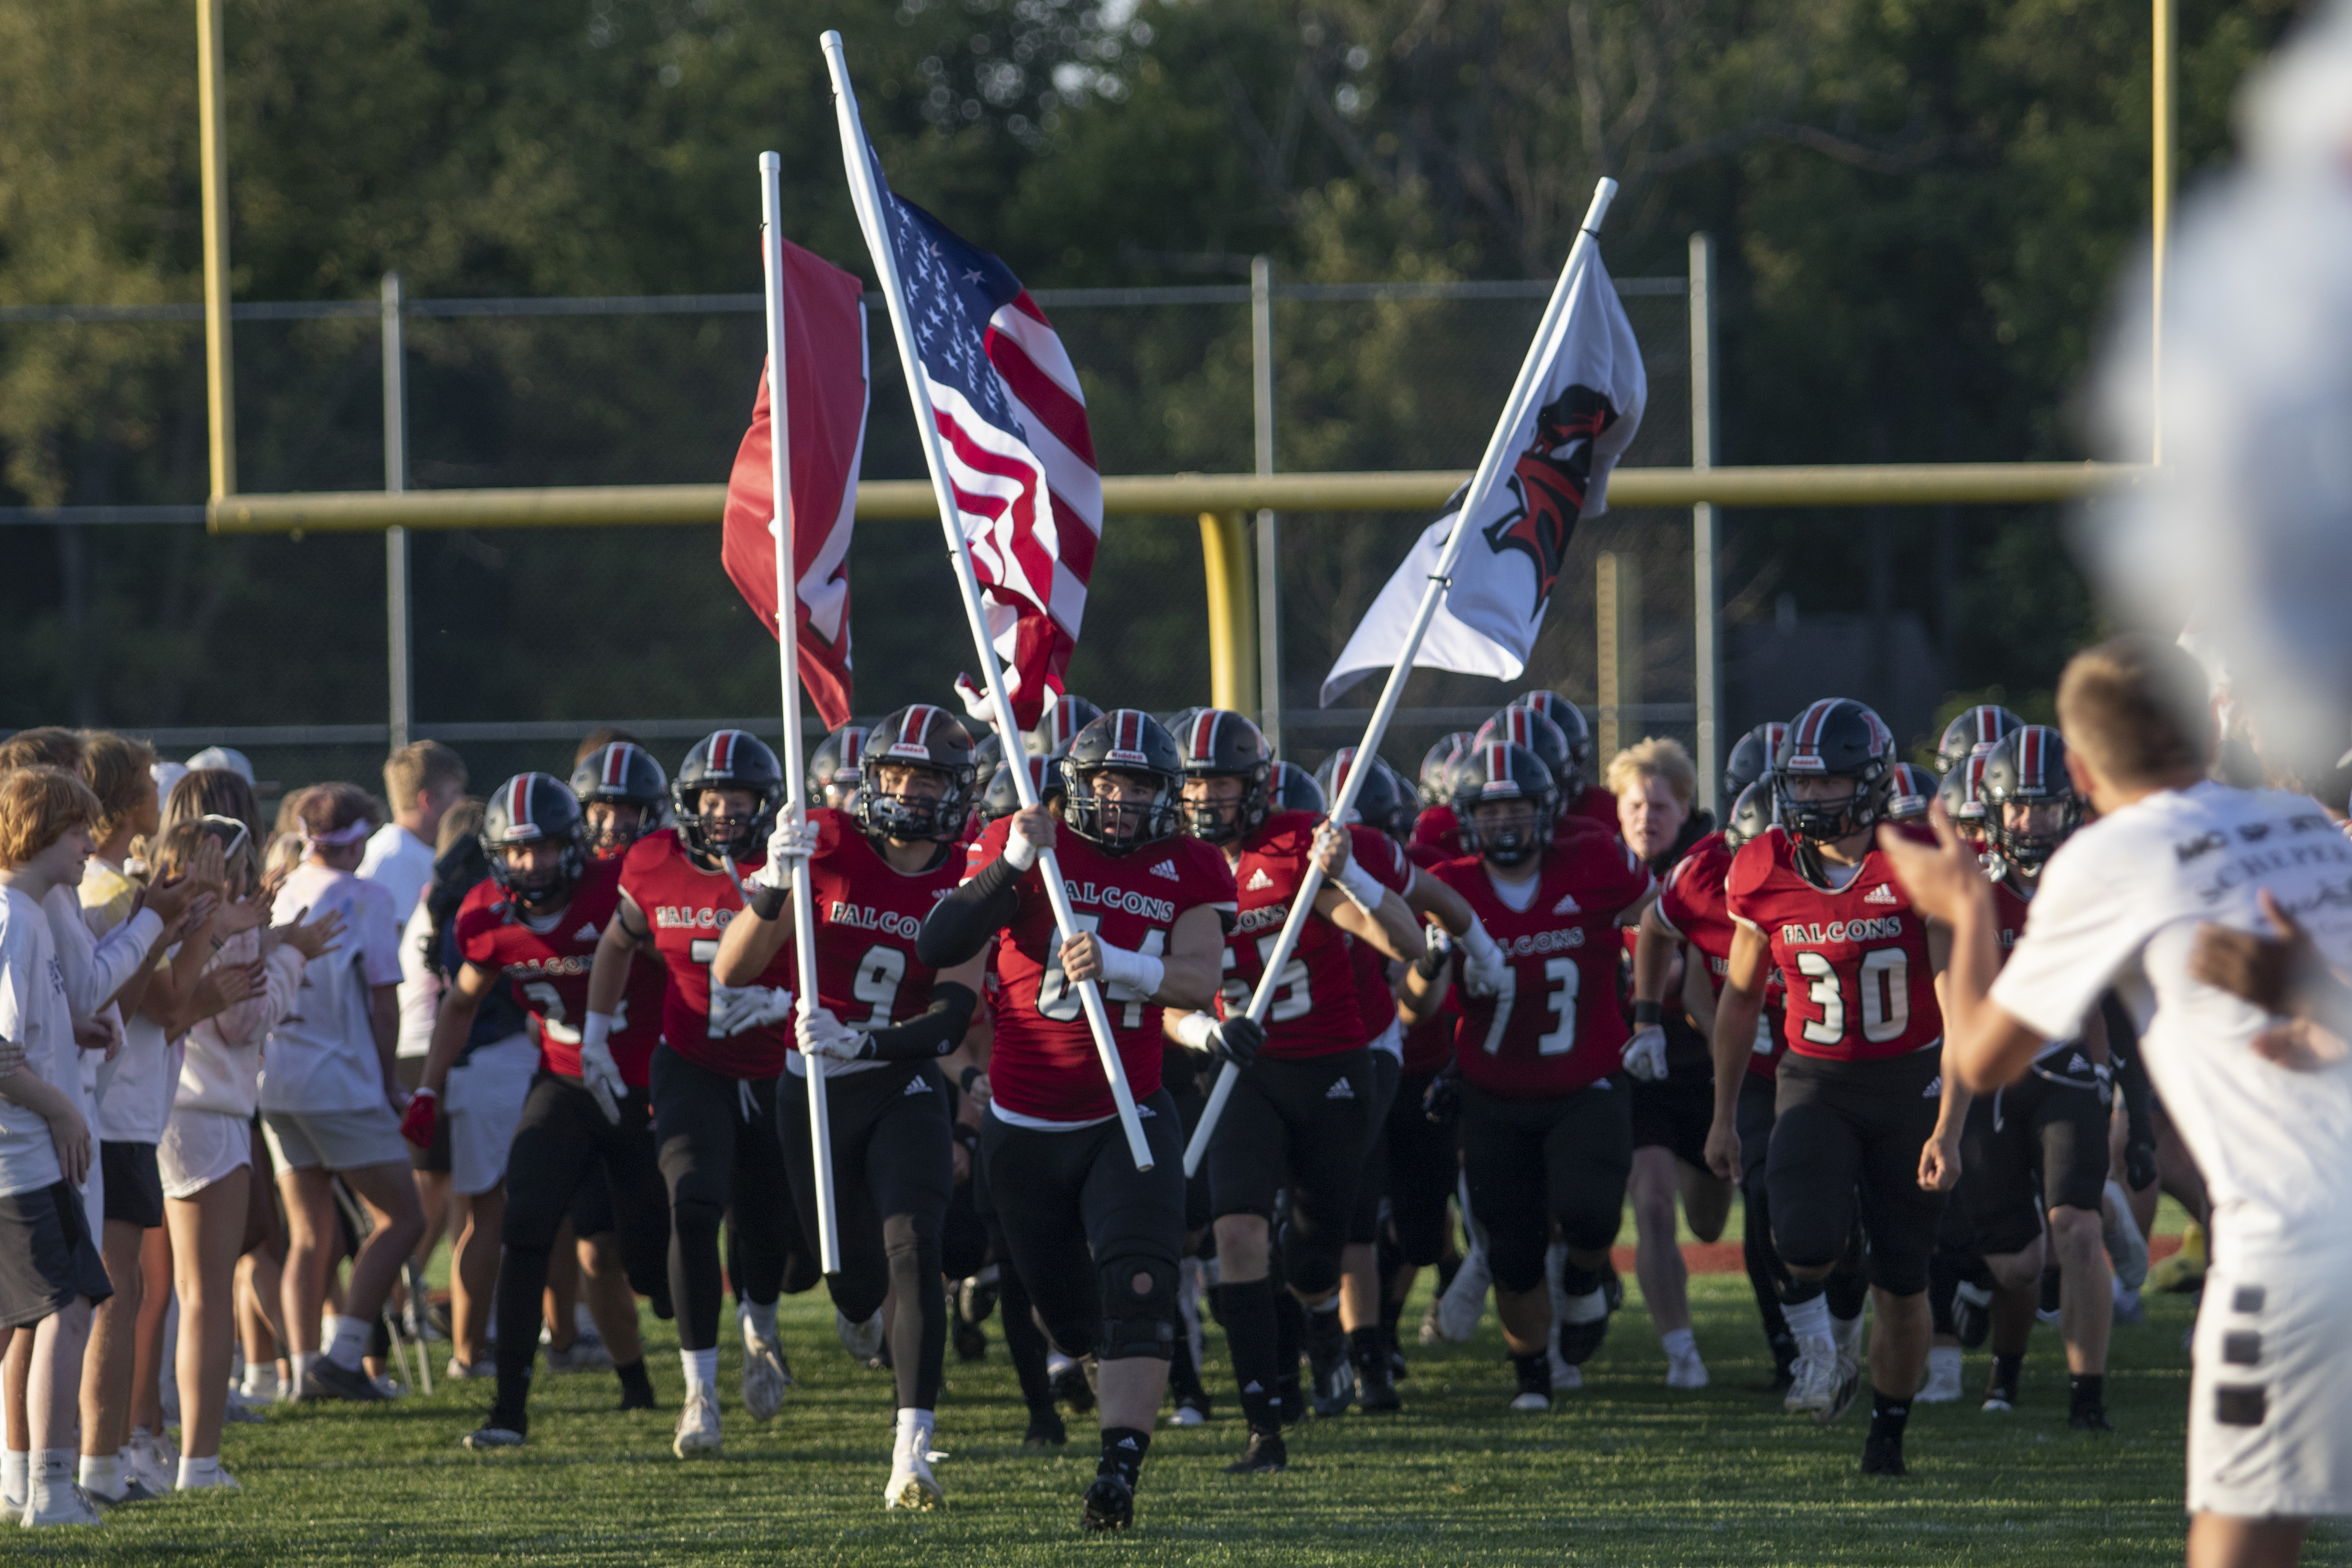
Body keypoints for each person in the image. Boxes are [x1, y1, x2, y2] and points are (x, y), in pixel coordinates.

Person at [1879, 634, 2352, 1568]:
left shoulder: (2113, 855)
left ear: (2084, 772)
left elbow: (1979, 1048)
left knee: (2243, 1536)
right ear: (2210, 726)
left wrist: (1969, 909)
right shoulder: (2303, 823)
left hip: (2302, 1237)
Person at [916, 708, 1234, 1532]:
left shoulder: (1191, 863)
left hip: (1126, 1113)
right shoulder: (1024, 840)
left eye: (1139, 785)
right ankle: (1097, 1376)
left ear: (1167, 796)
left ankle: (1118, 1468)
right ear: (1078, 784)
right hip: (1021, 1127)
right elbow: (939, 938)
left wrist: (1124, 964)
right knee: (1070, 1317)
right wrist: (1014, 860)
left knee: (1141, 1283)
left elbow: (1199, 978)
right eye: (1106, 782)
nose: (1122, 800)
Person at [714, 702, 988, 1510]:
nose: (906, 789)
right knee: (854, 1282)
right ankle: (859, 1313)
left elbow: (949, 1015)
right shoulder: (826, 842)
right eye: (895, 772)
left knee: (915, 1245)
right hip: (810, 1087)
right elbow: (734, 969)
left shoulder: (968, 877)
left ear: (956, 787)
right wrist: (771, 882)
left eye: (926, 775)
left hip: (896, 1077)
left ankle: (913, 1449)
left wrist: (864, 1041)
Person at [1704, 699, 1963, 1479]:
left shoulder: (1919, 861)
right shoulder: (1761, 866)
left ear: (1873, 781)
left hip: (1911, 1079)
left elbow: (1961, 1004)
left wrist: (1951, 1126)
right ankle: (1824, 1351)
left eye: (1831, 783)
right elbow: (1740, 999)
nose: (1812, 799)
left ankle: (1887, 1433)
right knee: (1804, 1237)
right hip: (1814, 1076)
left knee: (1905, 1281)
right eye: (1802, 784)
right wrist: (1722, 1116)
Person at [1170, 712, 1419, 1470]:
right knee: (1237, 1230)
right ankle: (1263, 1421)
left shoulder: (1297, 850)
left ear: (1256, 785)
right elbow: (1165, 997)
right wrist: (1204, 1035)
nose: (1207, 797)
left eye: (1222, 782)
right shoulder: (1172, 864)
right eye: (1195, 782)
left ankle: (1317, 1322)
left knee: (1315, 1260)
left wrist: (1351, 874)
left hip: (1331, 1067)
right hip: (1242, 1067)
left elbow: (1407, 943)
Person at [1398, 740, 1656, 1412]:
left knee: (1591, 1213)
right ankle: (1533, 1376)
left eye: (1517, 808)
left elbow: (1659, 918)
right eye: (1490, 811)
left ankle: (1584, 1280)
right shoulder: (1450, 882)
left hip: (1587, 1080)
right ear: (1466, 820)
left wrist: (1650, 1011)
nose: (1505, 824)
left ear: (1546, 813)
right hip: (1494, 1092)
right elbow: (1411, 1010)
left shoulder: (1595, 858)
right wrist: (1430, 961)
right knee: (1510, 1248)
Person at [426, 773, 669, 1452]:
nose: (530, 865)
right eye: (517, 851)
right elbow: (461, 1003)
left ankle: (649, 1372)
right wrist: (426, 1089)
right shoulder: (486, 911)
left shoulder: (616, 887)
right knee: (525, 1227)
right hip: (563, 1080)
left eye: (544, 849)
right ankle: (509, 1409)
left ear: (574, 847)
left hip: (641, 1080)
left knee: (646, 1261)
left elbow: (676, 964)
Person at [587, 730, 806, 1459]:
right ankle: (698, 1392)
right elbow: (619, 940)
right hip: (690, 1062)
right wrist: (595, 1031)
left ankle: (763, 1327)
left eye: (737, 797)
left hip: (775, 1065)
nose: (721, 810)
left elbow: (830, 951)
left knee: (766, 1221)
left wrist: (794, 1006)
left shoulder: (794, 867)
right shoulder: (652, 863)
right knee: (693, 1204)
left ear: (763, 803)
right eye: (711, 797)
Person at [1935, 725, 2120, 1428]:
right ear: (1992, 809)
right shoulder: (1967, 889)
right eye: (2019, 807)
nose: (2031, 821)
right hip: (1988, 1082)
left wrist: (2109, 1081)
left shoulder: (2091, 883)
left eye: (2046, 807)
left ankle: (2087, 1399)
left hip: (2066, 1071)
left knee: (2075, 1229)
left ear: (2070, 812)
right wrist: (1946, 1124)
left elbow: (2111, 997)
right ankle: (2004, 1367)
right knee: (2015, 1266)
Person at [151, 818, 338, 1492]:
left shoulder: (159, 914)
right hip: (206, 1113)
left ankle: (136, 1443)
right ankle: (198, 1461)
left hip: (165, 1110)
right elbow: (242, 1020)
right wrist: (294, 958)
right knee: (203, 1299)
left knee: (154, 1296)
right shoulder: (216, 924)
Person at [1641, 779, 1818, 1388]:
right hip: (1757, 1073)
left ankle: (1836, 1335)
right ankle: (1790, 1351)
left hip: (1833, 1068)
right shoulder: (1701, 878)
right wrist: (1647, 1018)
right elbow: (1657, 927)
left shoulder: (1838, 883)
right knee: (1769, 1201)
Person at [260, 782, 425, 1403]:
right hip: (340, 1081)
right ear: (357, 840)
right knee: (404, 1216)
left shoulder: (275, 886)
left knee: (310, 1233)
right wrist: (388, 1081)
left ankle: (301, 1371)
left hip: (275, 1080)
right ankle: (344, 1354)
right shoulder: (366, 898)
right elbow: (385, 1002)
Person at [0, 767, 118, 1526]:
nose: (91, 843)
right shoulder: (12, 915)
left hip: (28, 1153)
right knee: (64, 1309)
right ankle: (50, 1490)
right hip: (21, 1154)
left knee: (42, 1312)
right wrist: (63, 1112)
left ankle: (41, 1484)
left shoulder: (32, 914)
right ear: (41, 826)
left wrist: (68, 1030)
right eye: (80, 828)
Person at [1610, 737, 1731, 1392]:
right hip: (1635, 1063)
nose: (1646, 816)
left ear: (1686, 808)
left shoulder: (1707, 871)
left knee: (1710, 1221)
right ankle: (1681, 1350)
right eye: (1634, 804)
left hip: (1702, 1061)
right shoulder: (1601, 869)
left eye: (1659, 804)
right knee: (1652, 1204)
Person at [359, 740, 468, 928]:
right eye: (456, 793)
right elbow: (394, 942)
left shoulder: (408, 849)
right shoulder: (397, 858)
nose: (463, 802)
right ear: (428, 800)